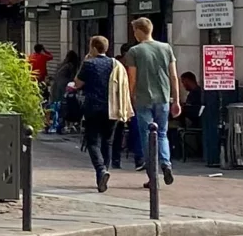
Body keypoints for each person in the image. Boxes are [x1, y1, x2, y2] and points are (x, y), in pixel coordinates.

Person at [121, 16, 179, 184]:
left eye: (134, 31)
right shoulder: (166, 48)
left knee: (146, 136)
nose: (134, 34)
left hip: (143, 98)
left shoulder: (134, 51)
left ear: (139, 31)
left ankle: (153, 176)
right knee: (162, 134)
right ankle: (166, 164)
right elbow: (174, 76)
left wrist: (129, 97)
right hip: (163, 98)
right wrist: (176, 100)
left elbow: (132, 78)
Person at [75, 35, 119, 191]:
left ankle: (101, 170)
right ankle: (104, 173)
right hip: (111, 107)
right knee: (107, 142)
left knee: (93, 142)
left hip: (92, 107)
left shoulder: (89, 64)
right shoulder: (115, 64)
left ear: (93, 48)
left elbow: (77, 83)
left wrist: (85, 61)